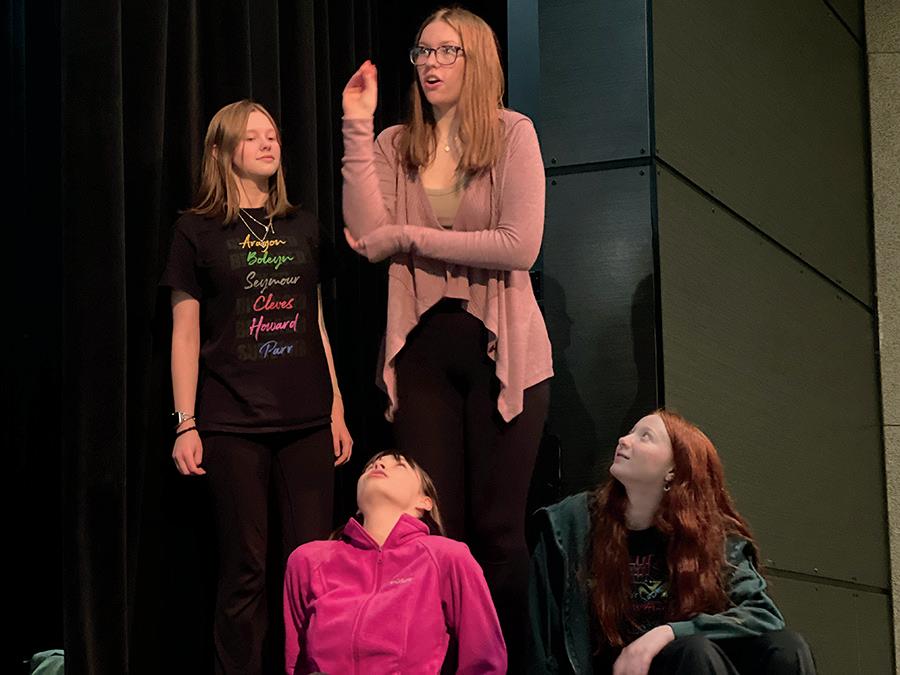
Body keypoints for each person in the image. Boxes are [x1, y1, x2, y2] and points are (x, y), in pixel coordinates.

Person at [340, 8, 553, 662]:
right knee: (433, 534)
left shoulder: (513, 134)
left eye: (445, 51)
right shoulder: (396, 144)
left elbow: (519, 245)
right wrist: (356, 125)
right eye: (422, 52)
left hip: (505, 352)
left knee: (499, 534)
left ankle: (507, 663)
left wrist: (409, 237)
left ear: (477, 59)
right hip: (422, 353)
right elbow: (365, 234)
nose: (429, 64)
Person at [161, 99, 353, 674]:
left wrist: (337, 408)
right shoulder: (196, 230)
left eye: (272, 134)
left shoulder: (303, 225)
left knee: (313, 565)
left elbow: (316, 323)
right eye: (252, 137)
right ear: (223, 152)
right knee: (245, 572)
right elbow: (185, 331)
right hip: (232, 422)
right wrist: (186, 422)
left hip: (307, 421)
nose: (268, 144)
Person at [528, 410, 816, 674]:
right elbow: (539, 643)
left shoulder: (712, 539)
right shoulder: (572, 524)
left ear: (673, 471)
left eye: (645, 436)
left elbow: (763, 615)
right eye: (630, 432)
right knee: (694, 651)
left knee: (787, 647)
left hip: (691, 662)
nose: (624, 440)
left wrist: (665, 633)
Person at [283, 451, 506, 674]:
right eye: (371, 465)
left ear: (424, 502)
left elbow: (485, 658)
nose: (379, 465)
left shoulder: (446, 556)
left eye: (399, 465)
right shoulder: (309, 560)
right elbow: (296, 663)